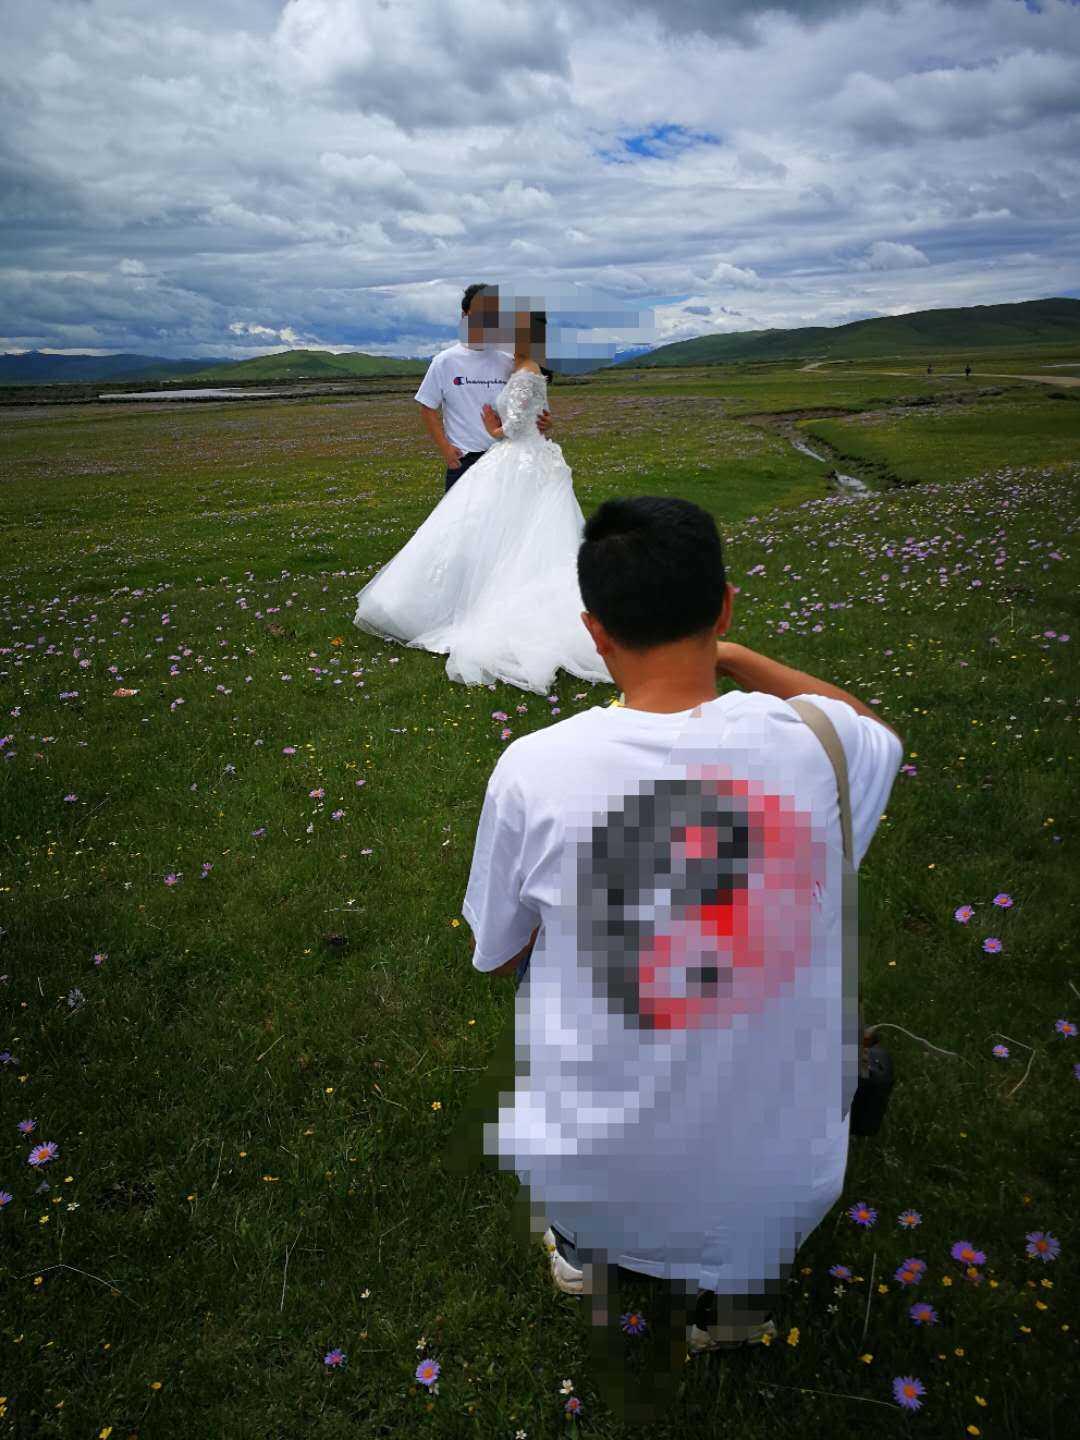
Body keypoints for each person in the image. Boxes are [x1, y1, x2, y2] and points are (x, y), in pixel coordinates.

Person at [460, 497, 903, 1410]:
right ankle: (732, 1304)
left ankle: (584, 1250)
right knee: (757, 1186)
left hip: (593, 1163)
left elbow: (498, 956)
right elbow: (871, 728)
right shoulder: (820, 745)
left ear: (595, 632)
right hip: (780, 1179)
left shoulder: (533, 768)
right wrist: (737, 661)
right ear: (726, 605)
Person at [353, 302, 609, 693]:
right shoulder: (479, 363)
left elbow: (522, 423)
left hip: (513, 460)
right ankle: (461, 605)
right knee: (481, 539)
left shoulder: (518, 366)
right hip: (499, 461)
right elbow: (437, 406)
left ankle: (490, 613)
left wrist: (498, 429)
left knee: (508, 541)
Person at [415, 283, 550, 493]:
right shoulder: (444, 361)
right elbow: (427, 408)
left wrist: (544, 421)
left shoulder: (508, 360)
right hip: (464, 461)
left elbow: (531, 406)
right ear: (465, 315)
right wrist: (446, 449)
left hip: (507, 459)